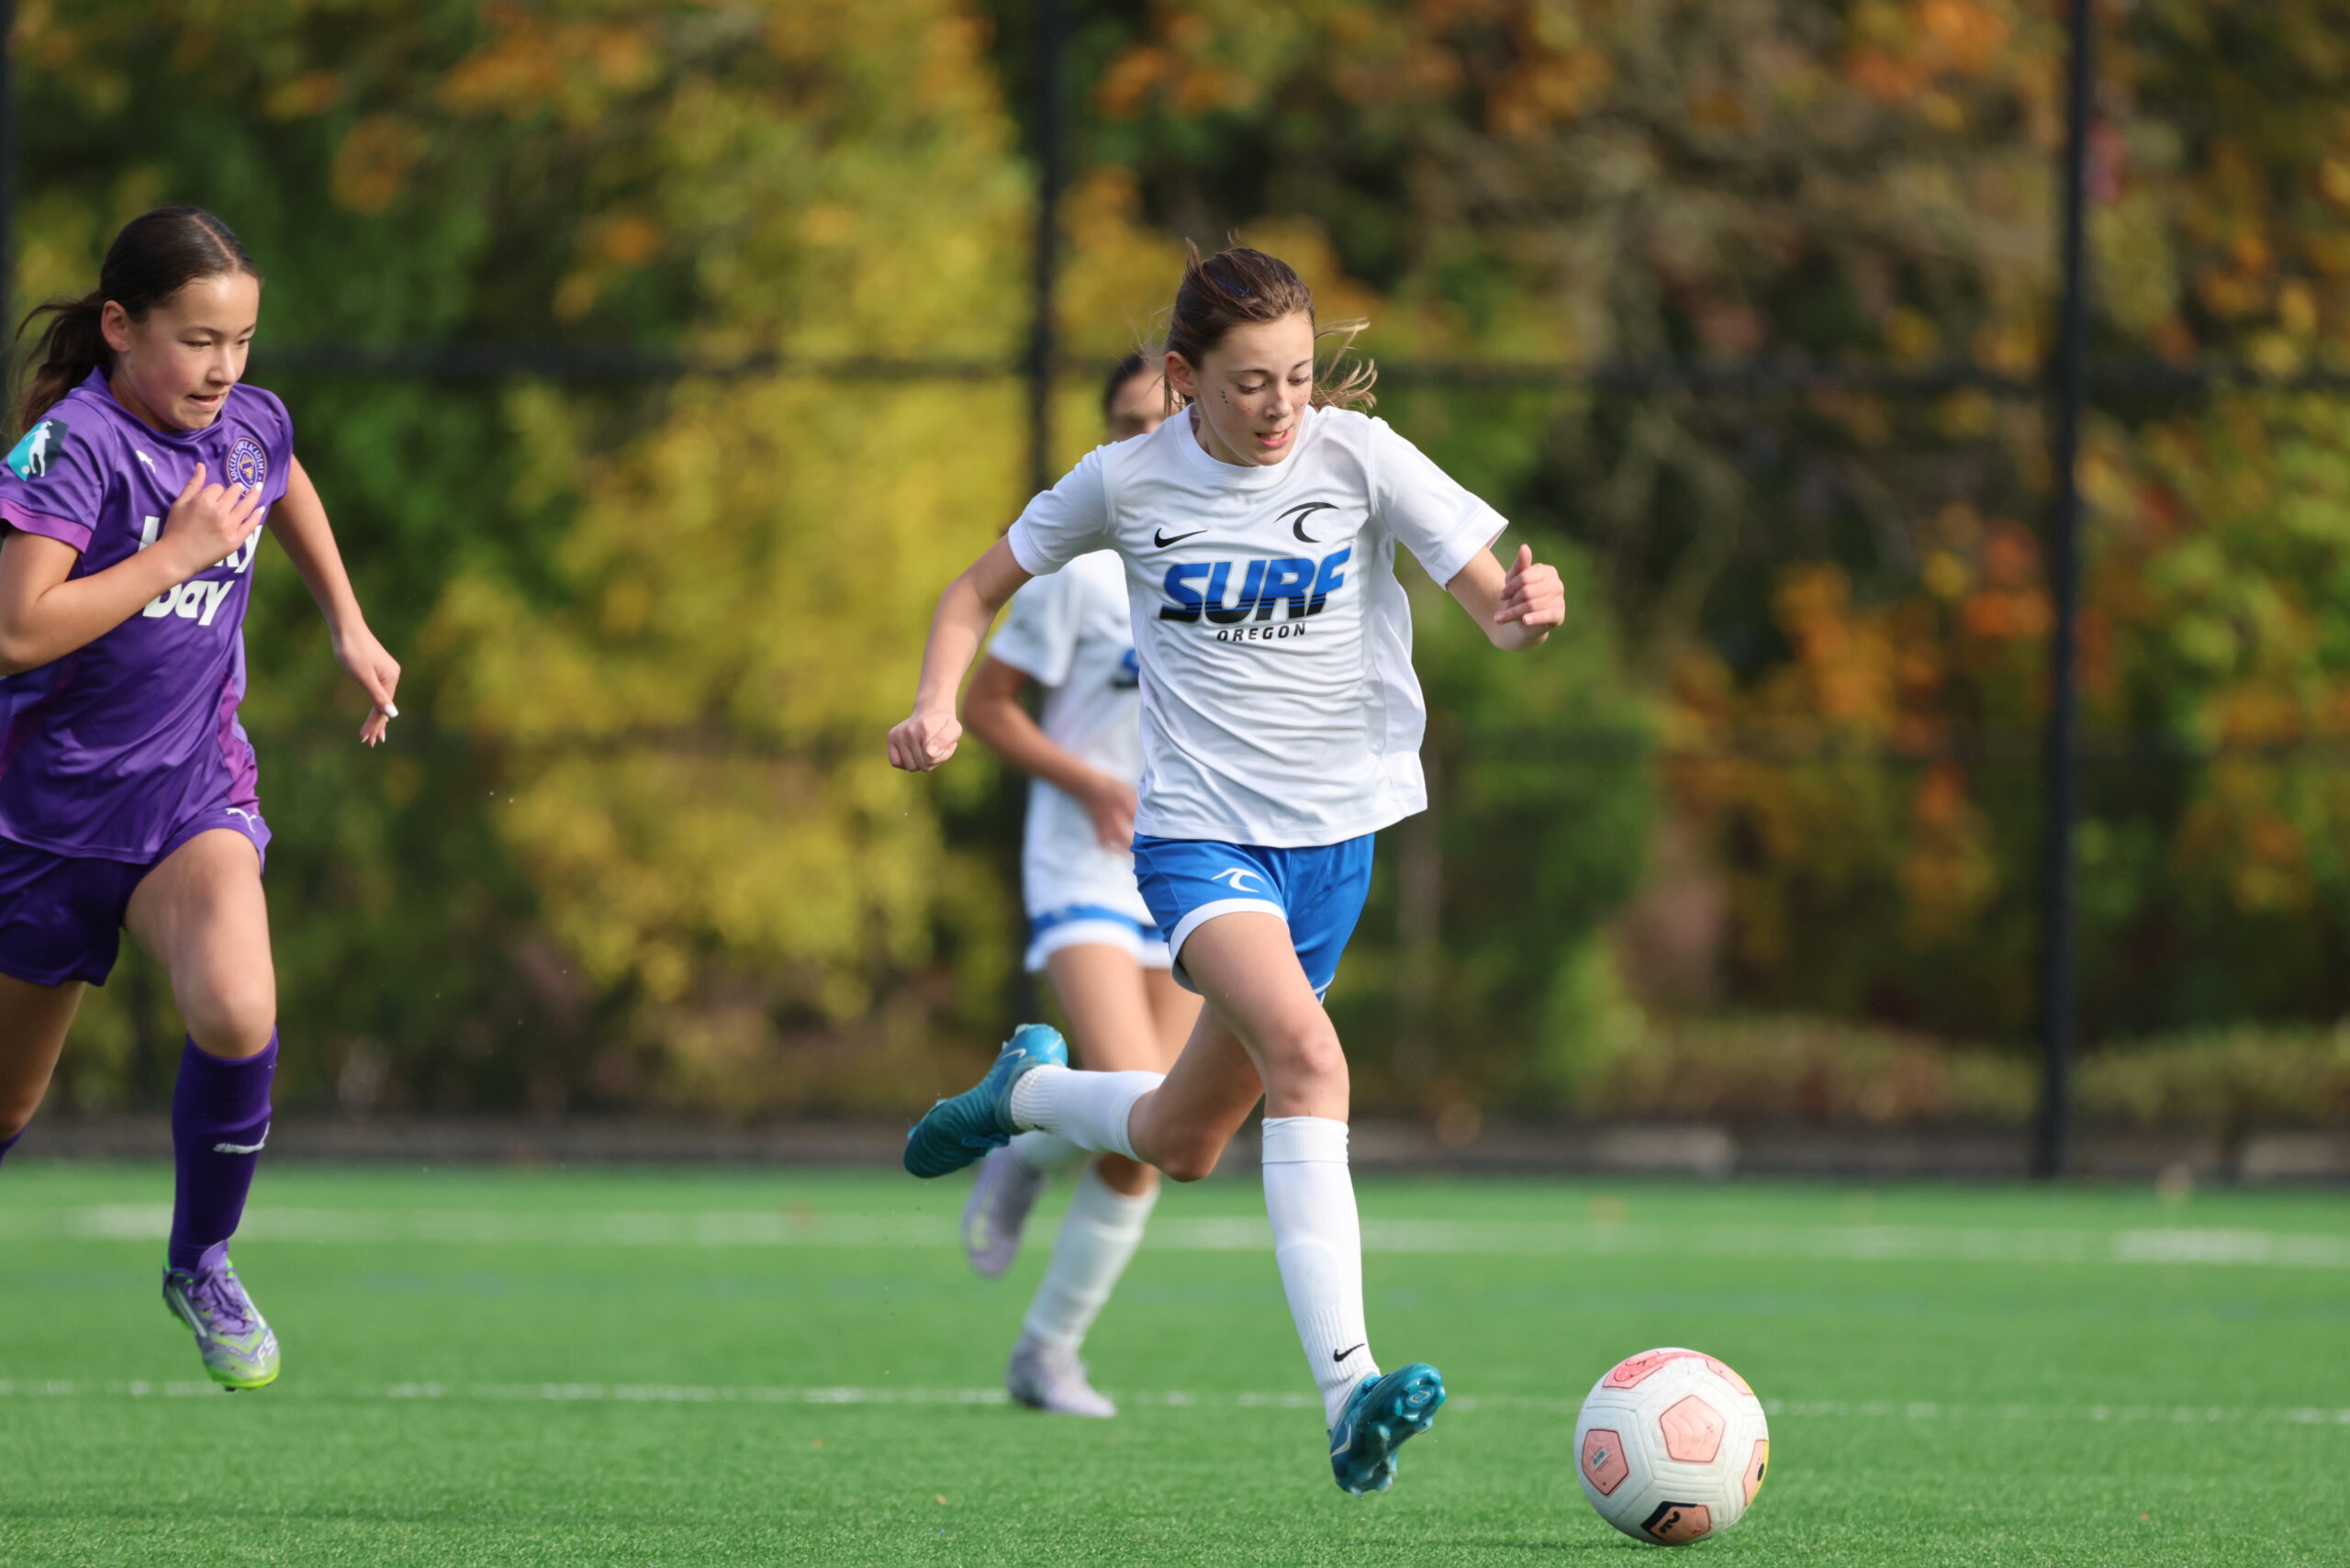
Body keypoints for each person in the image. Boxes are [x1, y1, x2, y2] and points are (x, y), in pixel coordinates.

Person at [888, 243, 1565, 1493]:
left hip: (1335, 849)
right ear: (1184, 376)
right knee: (1313, 1060)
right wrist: (936, 704)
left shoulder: (1362, 459)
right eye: (1251, 382)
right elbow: (970, 593)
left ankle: (1026, 1096)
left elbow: (1494, 609)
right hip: (1200, 840)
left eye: (1298, 377)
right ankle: (1351, 1394)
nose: (1280, 406)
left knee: (1180, 1139)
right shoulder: (1125, 479)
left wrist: (1526, 611)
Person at [0, 207, 401, 1391]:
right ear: (120, 327)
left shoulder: (247, 423)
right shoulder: (71, 447)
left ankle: (200, 1260)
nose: (224, 368)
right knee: (8, 1104)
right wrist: (170, 558)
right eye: (197, 340)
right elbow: (17, 633)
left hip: (191, 796)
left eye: (241, 340)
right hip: (43, 823)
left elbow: (285, 477)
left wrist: (347, 621)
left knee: (236, 1005)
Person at [957, 353, 1203, 1418]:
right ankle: (1028, 1138)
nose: (1142, 437)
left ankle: (1044, 1338)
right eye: (1123, 422)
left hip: (1186, 865)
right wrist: (1092, 782)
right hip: (1083, 863)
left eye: (1162, 417)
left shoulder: (1232, 561)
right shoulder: (1077, 567)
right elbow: (987, 705)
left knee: (1163, 1133)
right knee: (1140, 1092)